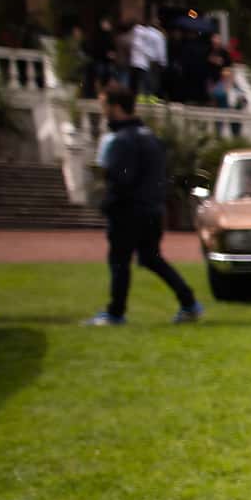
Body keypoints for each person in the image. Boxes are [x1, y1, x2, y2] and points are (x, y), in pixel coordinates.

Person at [83, 86, 203, 326]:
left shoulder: (123, 141)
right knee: (151, 258)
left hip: (129, 210)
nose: (103, 111)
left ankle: (116, 313)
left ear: (115, 107)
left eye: (105, 105)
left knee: (120, 261)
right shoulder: (151, 138)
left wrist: (109, 200)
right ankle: (188, 301)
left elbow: (121, 179)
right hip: (152, 209)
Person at [129, 16, 167, 98]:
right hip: (154, 59)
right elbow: (161, 49)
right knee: (152, 79)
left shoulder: (143, 32)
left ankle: (142, 95)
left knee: (143, 78)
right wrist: (163, 62)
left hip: (144, 58)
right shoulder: (158, 35)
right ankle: (150, 95)